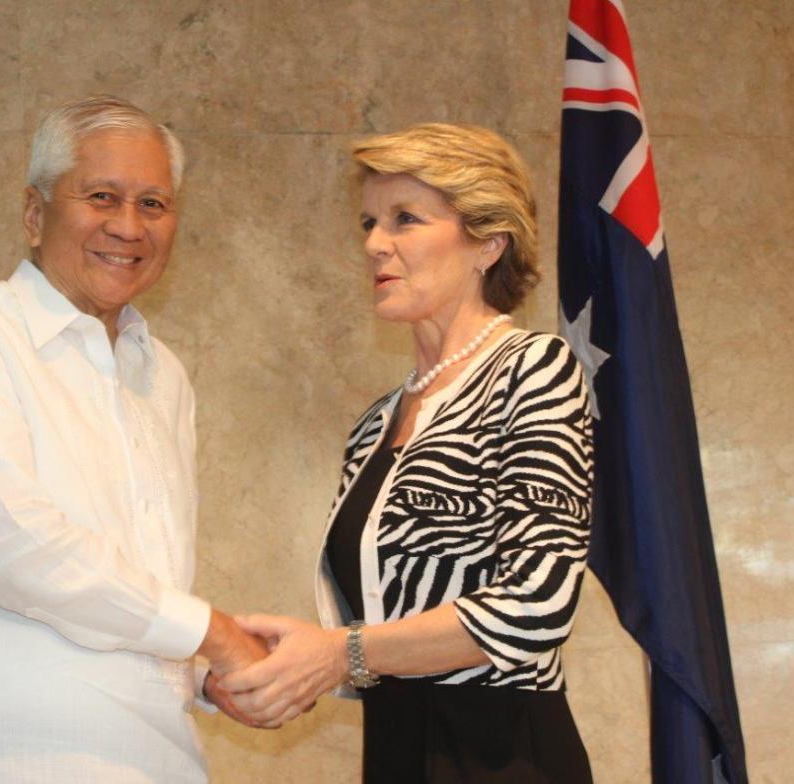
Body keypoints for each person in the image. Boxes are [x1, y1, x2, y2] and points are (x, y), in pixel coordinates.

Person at [0, 95, 263, 784]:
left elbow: (137, 585)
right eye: (102, 196)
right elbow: (3, 542)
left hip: (156, 763)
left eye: (154, 204)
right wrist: (213, 634)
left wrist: (204, 676)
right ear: (33, 214)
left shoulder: (163, 374)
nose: (128, 226)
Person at [221, 123, 595, 782]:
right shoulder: (374, 425)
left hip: (501, 753)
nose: (373, 244)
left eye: (405, 219)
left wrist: (342, 653)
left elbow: (537, 603)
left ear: (488, 244)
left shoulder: (533, 368)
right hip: (392, 748)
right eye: (369, 221)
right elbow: (373, 628)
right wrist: (285, 669)